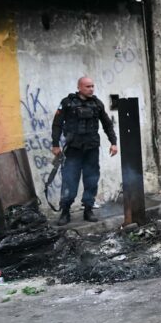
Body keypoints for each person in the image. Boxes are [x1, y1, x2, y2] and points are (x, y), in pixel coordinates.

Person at [51, 76, 118, 226]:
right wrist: (55, 145)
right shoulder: (67, 103)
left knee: (91, 180)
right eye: (88, 86)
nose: (91, 89)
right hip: (73, 149)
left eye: (92, 86)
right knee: (69, 180)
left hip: (91, 149)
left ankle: (88, 209)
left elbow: (107, 124)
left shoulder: (97, 104)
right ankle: (65, 211)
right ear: (79, 87)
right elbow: (57, 125)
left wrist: (113, 142)